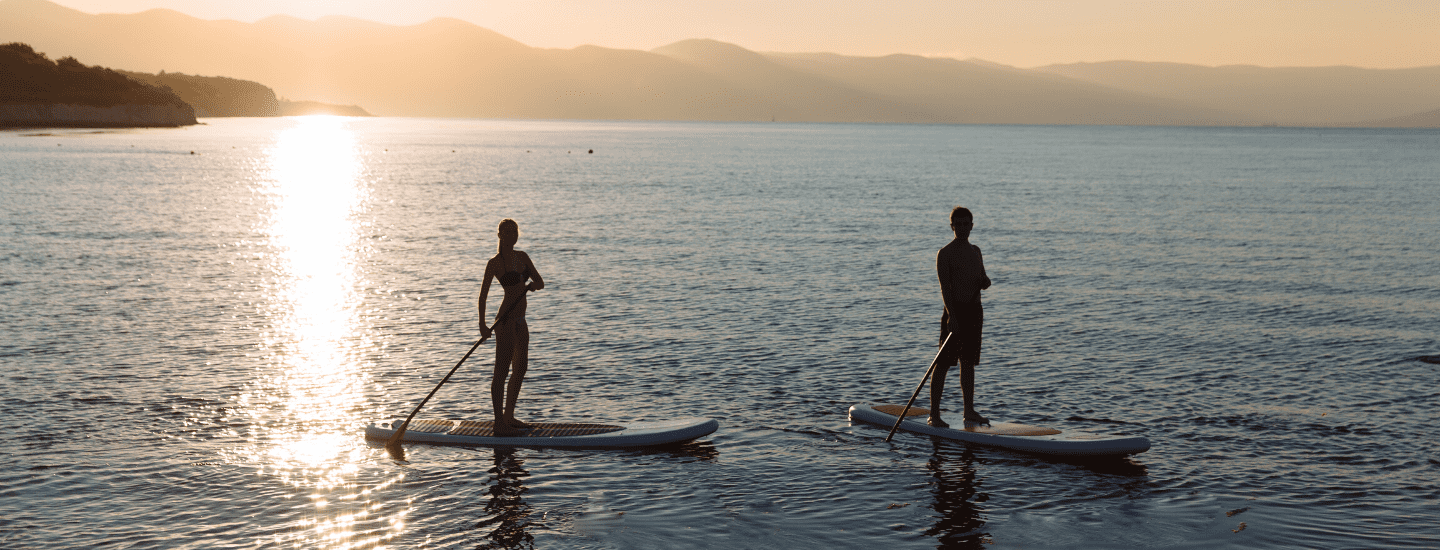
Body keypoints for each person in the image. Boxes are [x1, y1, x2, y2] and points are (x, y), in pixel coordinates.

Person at [478, 218, 545, 435]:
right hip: (505, 322)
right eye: (508, 233)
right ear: (499, 235)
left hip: (520, 320)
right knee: (501, 371)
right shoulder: (494, 263)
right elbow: (483, 296)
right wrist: (483, 324)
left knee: (521, 368)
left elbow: (540, 281)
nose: (512, 236)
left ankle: (509, 416)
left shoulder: (523, 256)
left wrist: (533, 285)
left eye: (515, 232)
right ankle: (499, 424)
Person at [932, 206, 991, 428]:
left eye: (967, 224)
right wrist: (952, 317)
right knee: (943, 363)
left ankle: (968, 411)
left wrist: (985, 282)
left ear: (972, 226)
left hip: (974, 312)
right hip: (954, 312)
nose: (963, 228)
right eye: (959, 224)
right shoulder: (945, 253)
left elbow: (982, 278)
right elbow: (945, 288)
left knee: (968, 363)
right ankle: (934, 414)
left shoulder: (976, 250)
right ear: (952, 226)